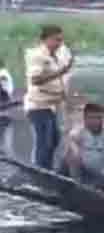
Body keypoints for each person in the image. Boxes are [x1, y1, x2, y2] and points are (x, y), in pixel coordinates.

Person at [25, 25, 73, 170]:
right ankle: (40, 170)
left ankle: (46, 169)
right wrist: (60, 72)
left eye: (61, 40)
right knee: (44, 141)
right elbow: (35, 80)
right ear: (45, 39)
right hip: (37, 105)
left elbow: (61, 78)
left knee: (54, 139)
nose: (59, 43)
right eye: (56, 40)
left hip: (50, 106)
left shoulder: (56, 56)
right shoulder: (37, 55)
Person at [60, 103, 104, 190]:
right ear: (85, 119)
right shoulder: (79, 132)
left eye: (98, 118)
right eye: (91, 118)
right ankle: (76, 187)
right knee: (71, 154)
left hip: (95, 174)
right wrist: (75, 149)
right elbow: (71, 143)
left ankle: (91, 189)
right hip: (78, 172)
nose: (95, 121)